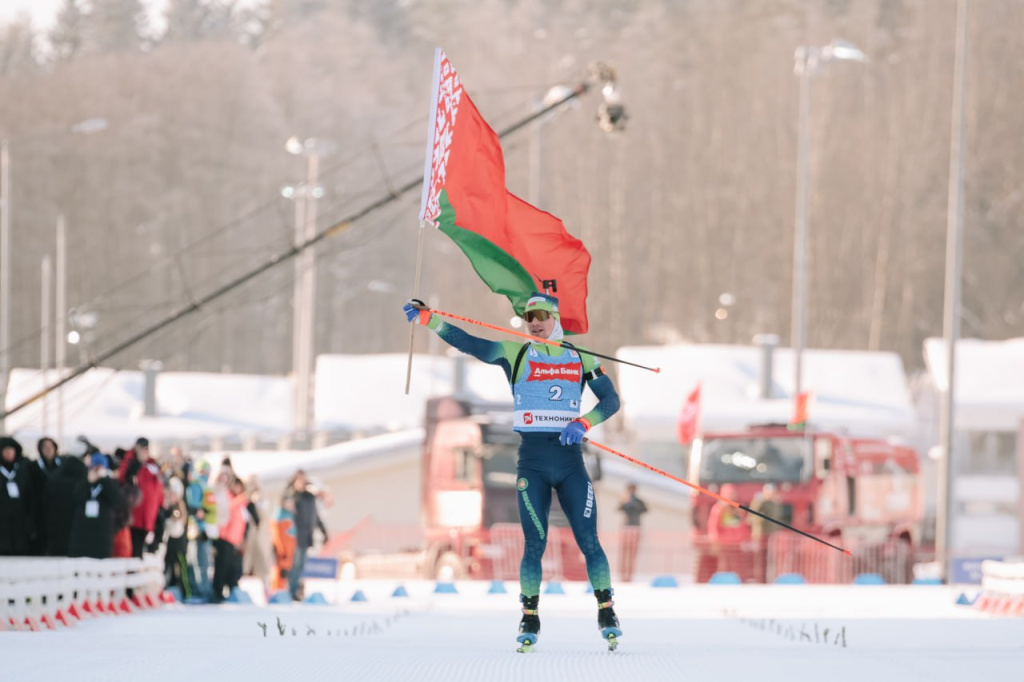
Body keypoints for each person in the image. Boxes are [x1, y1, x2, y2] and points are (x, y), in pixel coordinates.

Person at [403, 292, 623, 647]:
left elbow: (611, 400)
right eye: (527, 317)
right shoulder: (515, 352)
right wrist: (431, 320)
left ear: (555, 318)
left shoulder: (581, 358)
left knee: (589, 541)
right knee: (534, 544)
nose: (533, 322)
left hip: (570, 463)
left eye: (540, 316)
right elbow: (470, 343)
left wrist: (584, 423)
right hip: (532, 462)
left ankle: (606, 609)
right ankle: (530, 617)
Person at [68, 454, 123, 559]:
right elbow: (76, 497)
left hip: (102, 532)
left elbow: (116, 500)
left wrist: (105, 480)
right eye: (95, 467)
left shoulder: (111, 483)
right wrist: (88, 482)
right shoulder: (83, 481)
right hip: (83, 531)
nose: (97, 470)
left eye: (100, 467)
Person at [119, 437, 163, 557]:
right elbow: (124, 478)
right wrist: (137, 463)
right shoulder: (130, 461)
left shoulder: (152, 466)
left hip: (149, 518)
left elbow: (158, 490)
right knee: (133, 551)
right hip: (135, 518)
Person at [288, 469, 328, 601]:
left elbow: (315, 516)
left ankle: (297, 590)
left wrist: (324, 532)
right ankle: (291, 590)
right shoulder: (293, 496)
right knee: (294, 564)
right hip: (295, 536)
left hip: (307, 535)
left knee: (301, 564)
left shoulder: (309, 497)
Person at [707, 483, 751, 578]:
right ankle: (724, 583)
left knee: (738, 566)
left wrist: (746, 539)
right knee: (724, 566)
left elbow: (742, 526)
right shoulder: (719, 508)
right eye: (731, 494)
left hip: (737, 544)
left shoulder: (738, 508)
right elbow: (713, 526)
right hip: (724, 544)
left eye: (734, 494)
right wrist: (715, 540)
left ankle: (738, 582)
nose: (733, 496)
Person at [0, 436, 35, 555]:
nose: (9, 453)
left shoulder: (22, 469)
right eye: (5, 451)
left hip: (20, 515)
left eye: (11, 450)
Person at [28, 436, 62, 555]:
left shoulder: (62, 466)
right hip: (40, 509)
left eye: (50, 447)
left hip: (58, 508)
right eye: (44, 447)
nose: (48, 450)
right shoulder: (32, 467)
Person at [749, 483, 784, 582]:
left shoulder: (775, 503)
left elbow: (778, 518)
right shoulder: (759, 502)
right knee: (760, 559)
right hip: (761, 535)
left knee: (771, 559)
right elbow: (753, 516)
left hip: (772, 536)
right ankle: (760, 579)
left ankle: (769, 579)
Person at [617, 483, 648, 582]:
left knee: (632, 553)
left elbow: (645, 510)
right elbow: (619, 508)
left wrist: (635, 503)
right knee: (624, 552)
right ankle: (623, 574)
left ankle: (630, 574)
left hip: (635, 528)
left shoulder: (639, 501)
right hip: (626, 528)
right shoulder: (625, 501)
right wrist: (624, 501)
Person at [270, 494, 297, 594]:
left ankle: (283, 589)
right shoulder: (279, 515)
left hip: (290, 548)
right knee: (279, 570)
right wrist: (281, 549)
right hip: (282, 549)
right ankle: (276, 590)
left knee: (286, 571)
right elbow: (277, 534)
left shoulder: (289, 514)